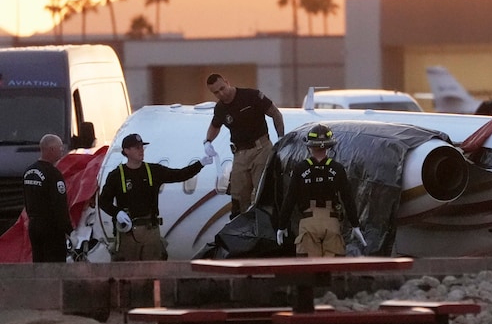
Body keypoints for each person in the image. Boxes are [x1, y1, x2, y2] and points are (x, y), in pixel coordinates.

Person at [99, 133, 213, 261]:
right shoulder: (116, 175)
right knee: (128, 271)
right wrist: (117, 213)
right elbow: (103, 201)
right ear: (126, 151)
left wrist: (200, 164)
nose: (141, 151)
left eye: (142, 147)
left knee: (154, 269)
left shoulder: (153, 171)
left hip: (151, 230)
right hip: (128, 233)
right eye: (137, 148)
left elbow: (179, 175)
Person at [276, 124, 366, 257]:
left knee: (310, 268)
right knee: (332, 267)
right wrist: (355, 224)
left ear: (309, 146)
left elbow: (290, 198)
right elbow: (347, 198)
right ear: (329, 146)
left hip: (308, 222)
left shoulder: (300, 169)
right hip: (332, 222)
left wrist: (281, 226)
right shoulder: (337, 169)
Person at [203, 73, 285, 218]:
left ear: (227, 82)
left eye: (222, 88)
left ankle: (266, 227)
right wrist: (207, 141)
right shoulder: (221, 108)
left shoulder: (251, 96)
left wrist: (281, 137)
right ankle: (240, 229)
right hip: (240, 153)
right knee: (238, 195)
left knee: (262, 190)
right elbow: (215, 125)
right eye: (216, 92)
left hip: (261, 149)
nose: (221, 93)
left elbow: (275, 113)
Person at [22, 134, 73, 262]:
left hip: (34, 225)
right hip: (51, 228)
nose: (62, 150)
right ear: (51, 150)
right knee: (55, 265)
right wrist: (69, 230)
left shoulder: (29, 172)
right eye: (60, 148)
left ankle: (39, 283)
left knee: (38, 262)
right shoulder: (54, 174)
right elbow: (59, 205)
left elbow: (27, 200)